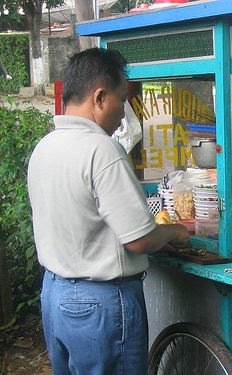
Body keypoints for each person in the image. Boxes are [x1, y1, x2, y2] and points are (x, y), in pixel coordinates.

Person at [27, 48, 189, 375]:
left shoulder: (45, 147)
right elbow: (139, 240)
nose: (124, 111)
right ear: (100, 98)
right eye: (121, 99)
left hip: (55, 296)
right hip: (99, 304)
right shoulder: (102, 150)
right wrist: (176, 231)